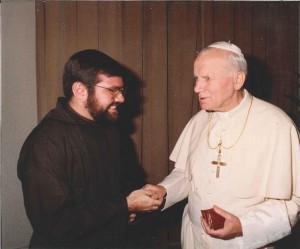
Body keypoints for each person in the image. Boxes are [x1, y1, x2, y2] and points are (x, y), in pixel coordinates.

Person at [144, 41, 300, 249]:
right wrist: (164, 190)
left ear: (238, 80)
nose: (197, 88)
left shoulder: (277, 125)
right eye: (197, 79)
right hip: (194, 238)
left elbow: (291, 203)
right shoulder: (199, 120)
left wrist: (244, 225)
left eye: (207, 79)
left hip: (242, 243)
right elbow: (185, 173)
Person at [17, 49, 161, 248]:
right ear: (80, 91)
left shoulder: (110, 130)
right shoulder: (45, 143)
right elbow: (54, 224)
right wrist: (125, 208)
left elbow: (124, 185)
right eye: (112, 90)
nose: (121, 99)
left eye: (122, 90)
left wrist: (138, 201)